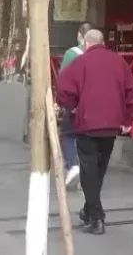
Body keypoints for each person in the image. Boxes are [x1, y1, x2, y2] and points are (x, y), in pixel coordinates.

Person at [54, 29, 133, 235]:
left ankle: (96, 217)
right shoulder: (119, 62)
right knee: (98, 170)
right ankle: (88, 211)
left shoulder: (80, 63)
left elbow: (63, 87)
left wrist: (71, 107)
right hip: (111, 126)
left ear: (86, 44)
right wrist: (127, 120)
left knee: (88, 170)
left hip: (87, 124)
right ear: (103, 42)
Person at [58, 24, 92, 188]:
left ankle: (73, 166)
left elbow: (63, 79)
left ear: (80, 36)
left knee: (68, 134)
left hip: (76, 104)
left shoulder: (72, 54)